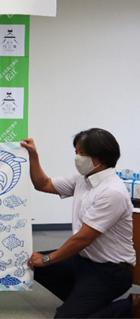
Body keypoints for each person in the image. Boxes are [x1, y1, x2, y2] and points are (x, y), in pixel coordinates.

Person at [21, 129, 140, 319]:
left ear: (101, 157)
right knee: (30, 262)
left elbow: (83, 239)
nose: (77, 157)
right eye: (76, 151)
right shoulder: (82, 180)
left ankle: (131, 306)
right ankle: (83, 301)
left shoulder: (112, 191)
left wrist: (47, 259)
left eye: (82, 153)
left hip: (111, 271)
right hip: (84, 261)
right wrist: (33, 155)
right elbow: (42, 184)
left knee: (64, 316)